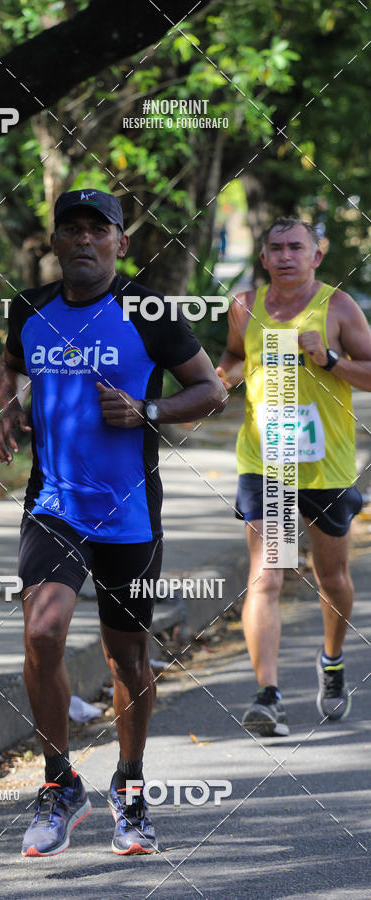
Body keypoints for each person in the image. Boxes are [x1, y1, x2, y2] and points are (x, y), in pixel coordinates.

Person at [0, 188, 226, 856]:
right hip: (54, 504)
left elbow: (211, 389)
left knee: (127, 654)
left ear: (121, 243)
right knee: (42, 631)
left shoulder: (147, 308)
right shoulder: (31, 307)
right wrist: (8, 409)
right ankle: (61, 785)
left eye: (100, 230)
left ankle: (129, 786)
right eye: (73, 229)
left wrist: (150, 412)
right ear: (57, 242)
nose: (86, 240)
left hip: (127, 512)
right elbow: (11, 364)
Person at [216, 217, 371, 737]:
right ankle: (269, 696)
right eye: (276, 248)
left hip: (326, 466)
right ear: (263, 258)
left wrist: (327, 359)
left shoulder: (339, 307)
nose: (285, 256)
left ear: (315, 256)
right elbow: (235, 356)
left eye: (295, 247)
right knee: (268, 577)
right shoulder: (245, 306)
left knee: (332, 579)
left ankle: (331, 660)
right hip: (268, 465)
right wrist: (222, 378)